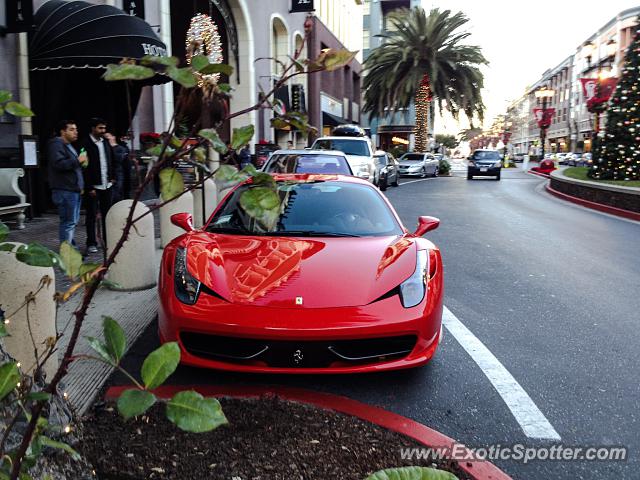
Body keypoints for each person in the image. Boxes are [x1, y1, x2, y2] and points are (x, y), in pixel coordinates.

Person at [47, 120, 88, 246]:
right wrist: (78, 161)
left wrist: (82, 163)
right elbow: (59, 164)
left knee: (70, 222)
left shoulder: (68, 145)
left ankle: (70, 247)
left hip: (72, 190)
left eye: (76, 129)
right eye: (71, 129)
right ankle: (67, 252)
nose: (76, 132)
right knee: (68, 223)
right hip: (65, 190)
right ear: (62, 131)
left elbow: (73, 167)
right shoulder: (56, 144)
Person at [82, 118, 115, 254]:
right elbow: (84, 167)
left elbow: (111, 160)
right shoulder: (85, 143)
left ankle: (107, 241)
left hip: (107, 184)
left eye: (104, 128)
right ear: (93, 128)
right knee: (91, 215)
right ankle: (91, 242)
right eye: (100, 128)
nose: (103, 131)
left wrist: (112, 178)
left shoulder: (105, 142)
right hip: (93, 187)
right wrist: (89, 187)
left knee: (107, 214)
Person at [105, 132, 130, 202]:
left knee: (117, 192)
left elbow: (119, 159)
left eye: (108, 137)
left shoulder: (120, 148)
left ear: (113, 137)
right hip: (109, 173)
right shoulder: (106, 148)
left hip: (118, 172)